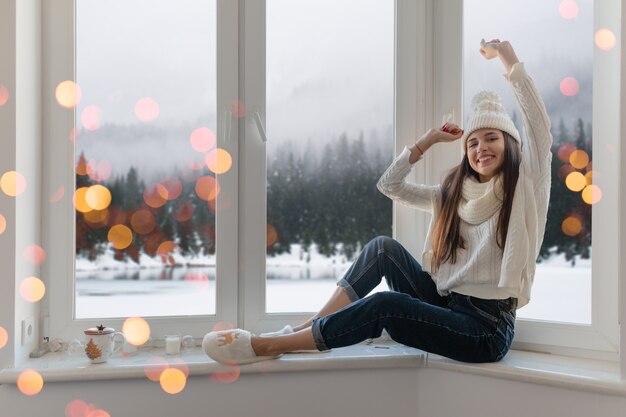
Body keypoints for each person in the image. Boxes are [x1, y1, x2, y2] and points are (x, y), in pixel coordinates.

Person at [202, 39, 552, 365]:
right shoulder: (453, 196)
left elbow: (540, 131)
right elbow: (390, 185)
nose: (480, 148)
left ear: (510, 144)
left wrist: (508, 58)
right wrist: (426, 142)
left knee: (385, 305)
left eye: (491, 138)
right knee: (382, 248)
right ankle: (304, 328)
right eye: (473, 143)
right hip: (449, 305)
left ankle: (266, 347)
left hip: (486, 329)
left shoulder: (524, 187)